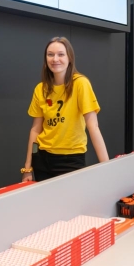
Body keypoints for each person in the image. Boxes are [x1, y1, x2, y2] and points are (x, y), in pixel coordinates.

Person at [22, 36, 109, 182]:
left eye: (60, 54)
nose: (55, 59)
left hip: (71, 160)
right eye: (50, 54)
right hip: (42, 159)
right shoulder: (40, 89)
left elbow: (93, 127)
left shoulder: (80, 84)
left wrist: (107, 167)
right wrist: (27, 168)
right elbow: (35, 130)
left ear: (70, 58)